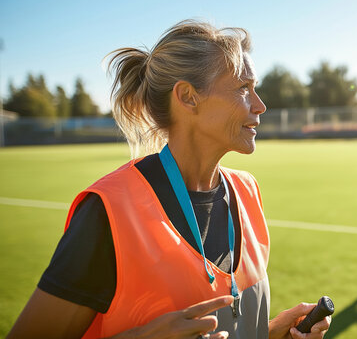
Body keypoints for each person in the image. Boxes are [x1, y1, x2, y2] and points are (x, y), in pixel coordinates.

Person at [8, 20, 331, 339]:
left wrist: (270, 333)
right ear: (188, 97)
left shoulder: (247, 191)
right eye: (243, 89)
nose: (260, 105)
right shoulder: (109, 210)